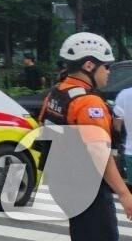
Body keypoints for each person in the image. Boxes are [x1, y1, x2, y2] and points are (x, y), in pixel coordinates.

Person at [39, 32, 132, 240]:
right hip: (85, 187)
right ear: (89, 66)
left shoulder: (56, 93)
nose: (108, 72)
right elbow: (98, 152)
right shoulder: (88, 102)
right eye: (106, 66)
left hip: (61, 181)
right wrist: (124, 193)